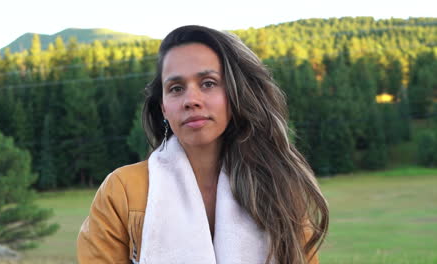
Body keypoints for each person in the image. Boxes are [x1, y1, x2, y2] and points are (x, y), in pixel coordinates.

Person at [77, 25, 329, 264]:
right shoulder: (121, 192)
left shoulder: (276, 187)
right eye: (176, 88)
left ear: (233, 94)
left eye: (208, 83)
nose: (191, 100)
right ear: (164, 108)